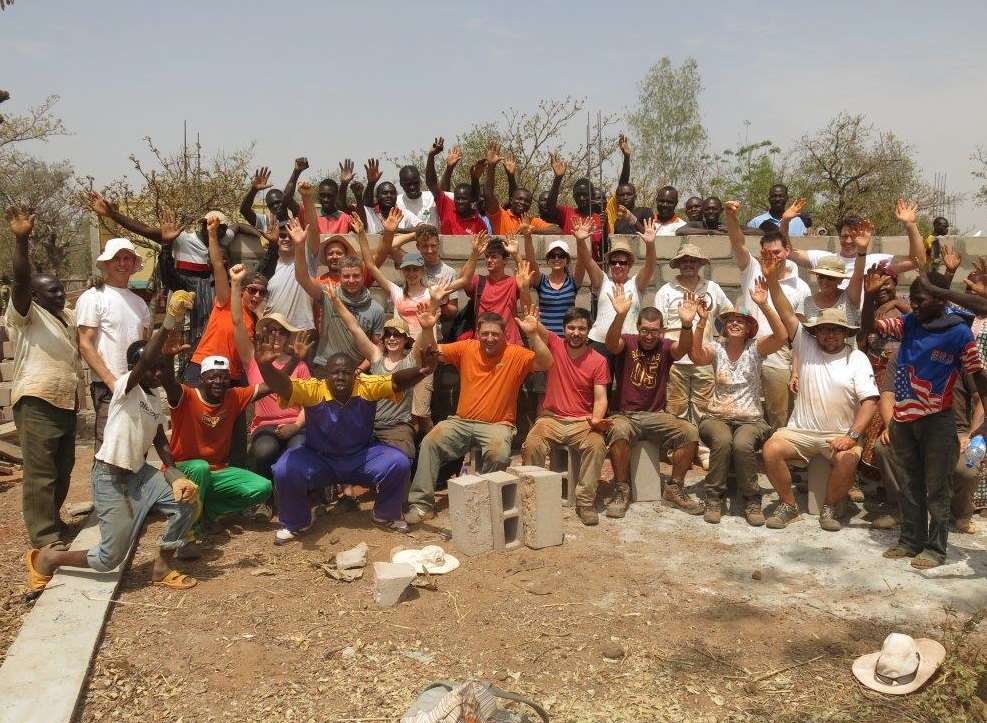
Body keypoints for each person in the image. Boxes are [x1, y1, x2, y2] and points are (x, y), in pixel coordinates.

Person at [25, 292, 200, 593]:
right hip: (110, 476)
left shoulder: (154, 402)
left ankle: (161, 566)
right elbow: (145, 361)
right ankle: (50, 558)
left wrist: (175, 476)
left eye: (162, 367)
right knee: (109, 558)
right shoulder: (124, 388)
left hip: (139, 473)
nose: (158, 373)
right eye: (152, 367)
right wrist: (169, 322)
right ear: (136, 368)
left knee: (187, 504)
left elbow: (160, 442)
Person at [860, 271, 987, 568]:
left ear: (941, 300)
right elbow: (867, 330)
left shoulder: (959, 332)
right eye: (912, 300)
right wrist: (868, 296)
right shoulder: (909, 324)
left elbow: (977, 375)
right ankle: (910, 540)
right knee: (909, 483)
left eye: (919, 300)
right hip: (904, 419)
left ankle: (935, 548)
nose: (913, 305)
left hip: (937, 422)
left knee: (937, 488)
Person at [261, 335, 437, 541]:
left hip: (360, 457)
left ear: (355, 374)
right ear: (325, 376)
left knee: (398, 463)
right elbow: (284, 387)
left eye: (346, 372)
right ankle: (297, 522)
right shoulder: (313, 389)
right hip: (319, 459)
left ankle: (385, 515)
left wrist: (422, 371)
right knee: (284, 468)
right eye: (334, 373)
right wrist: (265, 367)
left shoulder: (366, 385)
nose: (340, 377)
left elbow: (396, 381)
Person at [761, 256, 879, 532]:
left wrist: (850, 437)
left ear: (845, 333)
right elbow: (785, 310)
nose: (829, 336)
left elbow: (870, 402)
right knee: (770, 449)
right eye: (824, 330)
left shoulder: (856, 358)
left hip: (838, 434)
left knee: (848, 458)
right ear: (816, 332)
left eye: (836, 331)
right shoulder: (806, 343)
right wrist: (770, 279)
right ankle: (788, 504)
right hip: (801, 432)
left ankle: (831, 506)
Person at [406, 309, 553, 523]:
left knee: (499, 454)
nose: (490, 338)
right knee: (430, 441)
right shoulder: (467, 348)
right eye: (485, 333)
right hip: (462, 421)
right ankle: (422, 505)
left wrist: (532, 335)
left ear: (504, 335)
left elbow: (546, 363)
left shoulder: (516, 354)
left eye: (495, 334)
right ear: (477, 333)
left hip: (498, 425)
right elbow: (430, 351)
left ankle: (482, 502)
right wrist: (428, 329)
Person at [358, 210, 476, 430]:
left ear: (422, 270)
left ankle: (432, 449)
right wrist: (362, 236)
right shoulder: (396, 292)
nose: (411, 273)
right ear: (403, 271)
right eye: (408, 269)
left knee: (421, 411)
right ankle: (412, 455)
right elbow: (371, 266)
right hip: (399, 353)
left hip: (423, 353)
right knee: (404, 412)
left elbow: (465, 279)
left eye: (415, 269)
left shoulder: (433, 292)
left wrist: (475, 253)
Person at [6, 206, 81, 552]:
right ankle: (45, 538)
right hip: (37, 400)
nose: (60, 294)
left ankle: (53, 522)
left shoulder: (65, 316)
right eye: (51, 291)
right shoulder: (26, 314)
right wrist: (22, 240)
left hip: (65, 401)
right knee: (40, 474)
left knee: (63, 468)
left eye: (61, 289)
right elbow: (20, 280)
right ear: (35, 296)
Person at [689, 277, 788, 525]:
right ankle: (714, 497)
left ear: (749, 328)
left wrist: (765, 305)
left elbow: (782, 334)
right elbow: (697, 355)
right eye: (730, 320)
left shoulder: (757, 348)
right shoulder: (717, 348)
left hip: (751, 419)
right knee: (722, 441)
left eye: (740, 321)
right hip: (716, 416)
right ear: (724, 327)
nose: (734, 323)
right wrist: (701, 322)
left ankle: (751, 499)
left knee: (743, 445)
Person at [87, 191, 230, 349]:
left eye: (219, 227)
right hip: (183, 296)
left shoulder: (224, 245)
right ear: (203, 225)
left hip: (209, 302)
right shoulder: (183, 239)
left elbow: (240, 227)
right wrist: (113, 214)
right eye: (208, 225)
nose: (213, 230)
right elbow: (145, 230)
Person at [605, 287, 702, 515]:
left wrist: (687, 325)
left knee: (689, 431)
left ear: (662, 330)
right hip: (625, 414)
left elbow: (684, 349)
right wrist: (620, 316)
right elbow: (611, 344)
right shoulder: (627, 342)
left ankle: (674, 488)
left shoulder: (666, 346)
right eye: (645, 330)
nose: (649, 336)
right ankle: (622, 489)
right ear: (638, 328)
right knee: (618, 431)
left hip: (656, 415)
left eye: (654, 331)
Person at [161, 347, 275, 528]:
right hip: (183, 470)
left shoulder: (234, 396)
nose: (218, 382)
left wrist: (276, 364)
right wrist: (168, 356)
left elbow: (272, 385)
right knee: (200, 467)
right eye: (212, 377)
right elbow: (168, 382)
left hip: (217, 471)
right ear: (201, 379)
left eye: (224, 377)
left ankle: (209, 511)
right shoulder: (187, 396)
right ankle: (192, 529)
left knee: (263, 488)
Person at [724, 200, 811, 429]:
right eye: (766, 253)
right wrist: (731, 216)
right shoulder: (751, 269)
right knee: (745, 407)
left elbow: (800, 334)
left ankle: (775, 456)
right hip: (748, 349)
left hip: (780, 354)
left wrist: (796, 368)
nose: (772, 257)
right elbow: (737, 241)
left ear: (787, 252)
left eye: (777, 252)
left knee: (778, 411)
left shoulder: (801, 287)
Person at [522, 308, 610, 524]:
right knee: (532, 443)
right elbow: (534, 326)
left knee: (597, 445)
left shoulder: (598, 360)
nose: (576, 333)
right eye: (571, 328)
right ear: (564, 329)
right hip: (551, 418)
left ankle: (586, 502)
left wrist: (597, 419)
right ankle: (532, 497)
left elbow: (600, 398)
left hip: (582, 421)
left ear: (588, 331)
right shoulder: (554, 344)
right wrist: (524, 291)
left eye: (581, 328)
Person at [228, 263, 311, 482]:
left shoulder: (300, 365)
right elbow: (236, 322)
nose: (275, 335)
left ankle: (301, 495)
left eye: (280, 331)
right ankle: (262, 497)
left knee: (298, 448)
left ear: (287, 336)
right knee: (264, 450)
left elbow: (309, 403)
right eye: (270, 330)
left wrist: (296, 426)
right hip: (265, 425)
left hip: (296, 422)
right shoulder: (253, 360)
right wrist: (236, 285)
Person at [330, 290, 435, 460]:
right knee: (343, 451)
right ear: (383, 339)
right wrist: (336, 301)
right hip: (370, 423)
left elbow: (427, 341)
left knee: (402, 459)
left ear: (406, 340)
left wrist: (427, 326)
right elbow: (354, 327)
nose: (392, 338)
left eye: (398, 335)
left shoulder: (411, 360)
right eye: (388, 334)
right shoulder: (376, 357)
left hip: (398, 426)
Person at [655, 244, 733, 465]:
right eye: (684, 261)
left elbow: (728, 314)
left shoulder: (713, 288)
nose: (688, 264)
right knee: (676, 407)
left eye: (693, 261)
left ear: (700, 264)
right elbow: (658, 327)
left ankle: (702, 451)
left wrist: (724, 341)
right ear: (678, 264)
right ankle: (678, 450)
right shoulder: (666, 291)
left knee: (703, 407)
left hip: (704, 359)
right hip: (675, 359)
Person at [76, 236, 152, 448]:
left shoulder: (139, 303)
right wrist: (112, 382)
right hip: (108, 387)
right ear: (106, 263)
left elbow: (144, 345)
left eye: (127, 258)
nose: (122, 263)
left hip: (137, 385)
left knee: (136, 446)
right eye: (116, 258)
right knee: (109, 448)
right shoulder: (93, 297)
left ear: (133, 264)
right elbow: (85, 344)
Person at [785, 198, 921, 287]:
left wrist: (911, 225)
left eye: (854, 237)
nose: (849, 241)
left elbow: (917, 261)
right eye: (844, 236)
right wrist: (785, 222)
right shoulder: (825, 260)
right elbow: (788, 252)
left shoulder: (877, 262)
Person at [582, 218, 658, 353]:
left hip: (629, 344)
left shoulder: (636, 283)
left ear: (629, 266)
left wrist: (650, 245)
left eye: (622, 262)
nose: (617, 265)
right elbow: (587, 261)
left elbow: (650, 267)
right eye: (613, 262)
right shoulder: (603, 281)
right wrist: (580, 241)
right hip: (600, 344)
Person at [520, 223, 585, 336]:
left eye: (561, 255)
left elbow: (582, 262)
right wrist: (527, 237)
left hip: (568, 340)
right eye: (552, 255)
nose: (556, 258)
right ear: (548, 260)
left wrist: (580, 241)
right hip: (546, 339)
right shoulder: (541, 281)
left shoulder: (573, 282)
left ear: (567, 260)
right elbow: (531, 261)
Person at [545, 156, 605, 260]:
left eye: (585, 194)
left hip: (591, 268)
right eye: (578, 195)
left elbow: (604, 248)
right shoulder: (567, 213)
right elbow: (550, 207)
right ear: (574, 196)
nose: (582, 198)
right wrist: (558, 179)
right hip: (570, 267)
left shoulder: (600, 218)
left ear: (592, 196)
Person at [424, 137, 487, 234]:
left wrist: (475, 178)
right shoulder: (447, 207)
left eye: (464, 198)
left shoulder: (479, 223)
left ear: (471, 200)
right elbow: (431, 183)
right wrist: (431, 156)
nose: (460, 202)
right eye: (457, 198)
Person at [483, 141, 535, 236]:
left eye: (527, 201)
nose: (522, 202)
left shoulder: (532, 221)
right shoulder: (501, 216)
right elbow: (488, 194)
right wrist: (491, 166)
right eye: (519, 199)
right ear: (511, 200)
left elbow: (556, 230)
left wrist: (531, 230)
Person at [605, 135, 653, 235]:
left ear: (635, 196)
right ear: (617, 198)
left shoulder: (645, 212)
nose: (625, 197)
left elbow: (649, 236)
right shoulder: (617, 218)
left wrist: (632, 219)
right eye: (622, 195)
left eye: (629, 194)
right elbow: (622, 185)